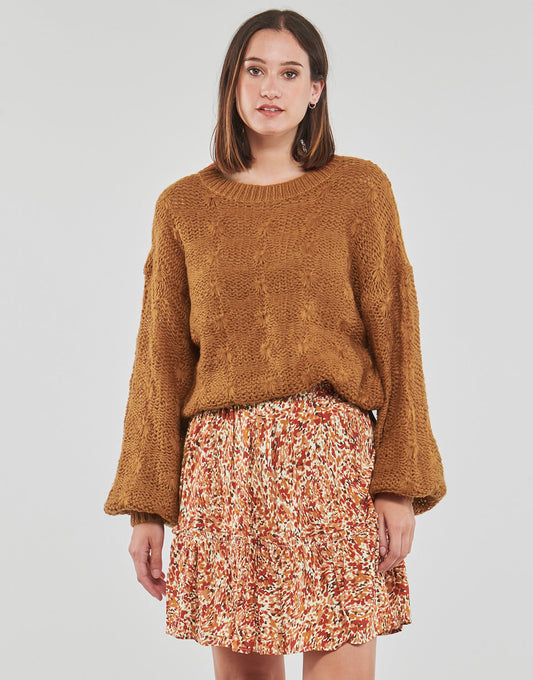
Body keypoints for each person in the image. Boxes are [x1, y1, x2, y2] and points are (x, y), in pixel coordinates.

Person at [103, 8, 446, 680]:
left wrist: (398, 484)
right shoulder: (183, 206)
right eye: (255, 70)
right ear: (232, 82)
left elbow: (398, 340)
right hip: (223, 472)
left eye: (290, 73)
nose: (270, 87)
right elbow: (160, 362)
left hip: (332, 468)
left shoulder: (359, 191)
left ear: (315, 89)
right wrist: (147, 508)